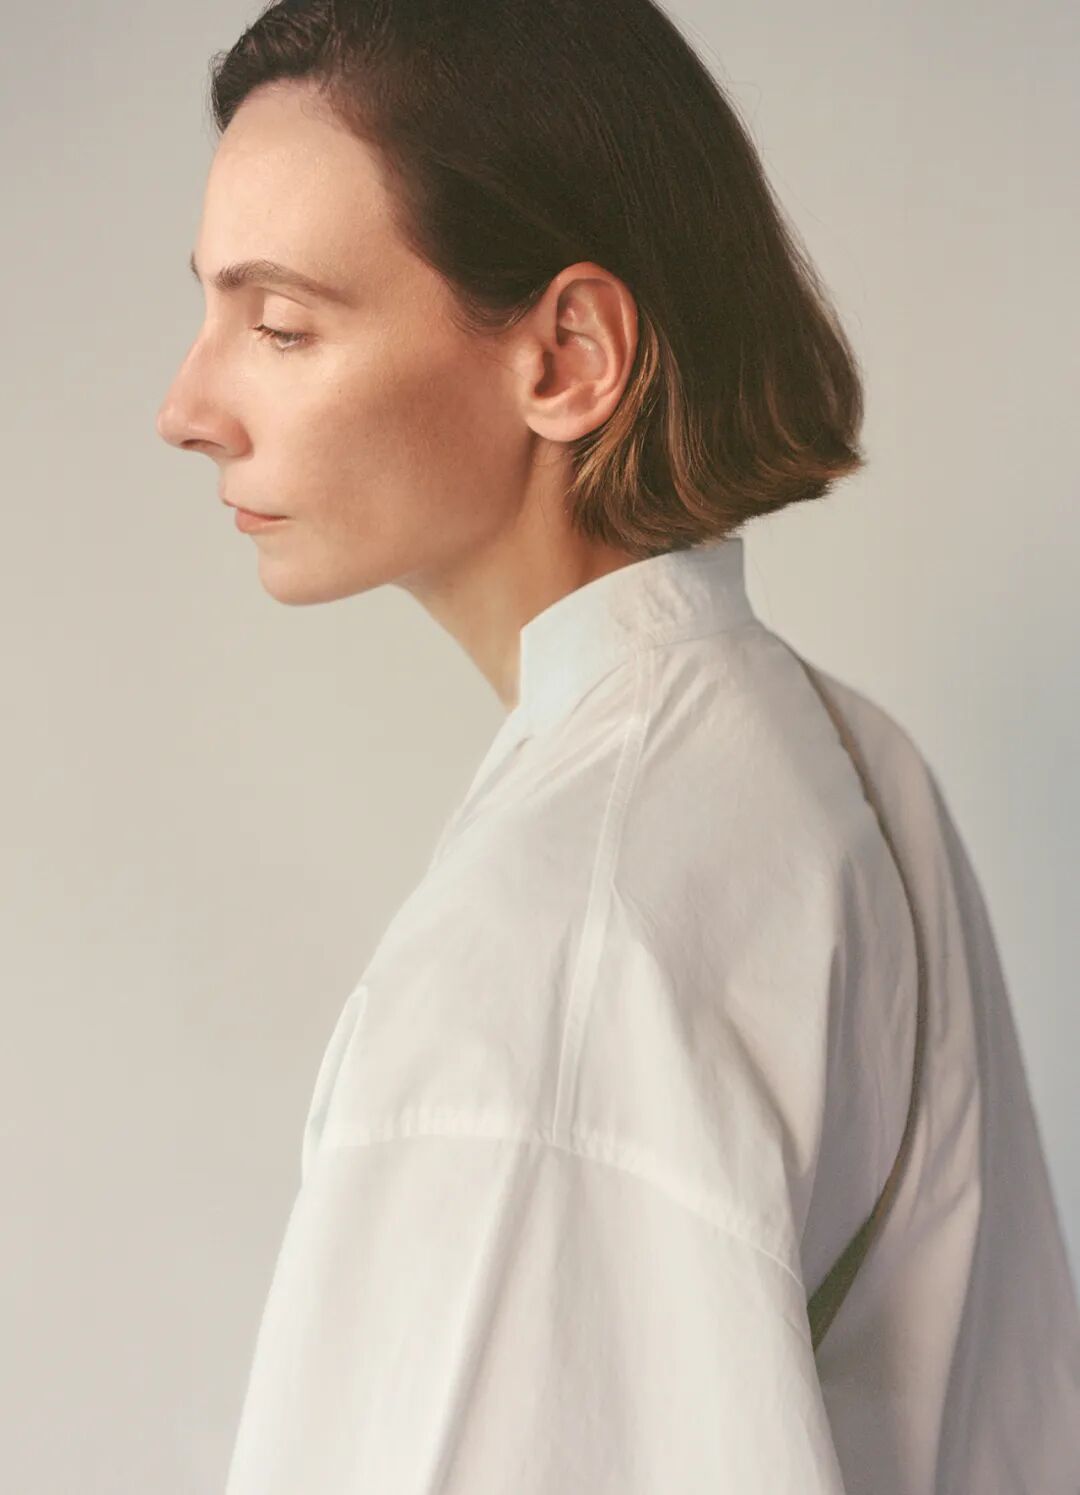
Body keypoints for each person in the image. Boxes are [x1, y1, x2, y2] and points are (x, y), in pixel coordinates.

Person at [155, 1, 1080, 1489]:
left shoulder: (552, 954)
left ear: (568, 355)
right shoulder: (846, 766)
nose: (187, 407)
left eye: (280, 326)